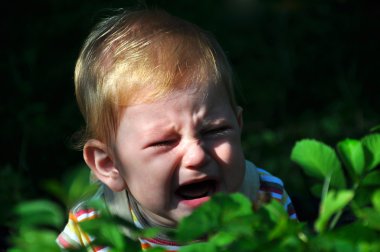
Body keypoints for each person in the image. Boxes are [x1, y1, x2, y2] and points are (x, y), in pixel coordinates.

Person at [57, 8, 297, 251]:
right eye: (164, 142)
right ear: (109, 164)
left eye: (216, 130)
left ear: (238, 125)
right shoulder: (97, 228)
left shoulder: (264, 200)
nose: (197, 155)